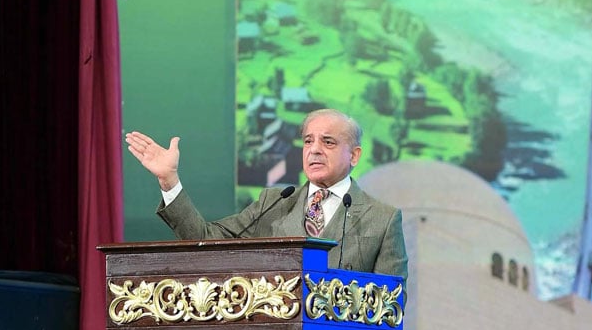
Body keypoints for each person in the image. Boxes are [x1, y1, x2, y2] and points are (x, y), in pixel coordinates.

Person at [125, 108, 408, 283]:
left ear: (354, 155)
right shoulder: (273, 203)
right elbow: (206, 239)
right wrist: (169, 180)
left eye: (328, 142)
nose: (315, 149)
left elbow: (392, 307)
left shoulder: (383, 220)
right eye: (308, 141)